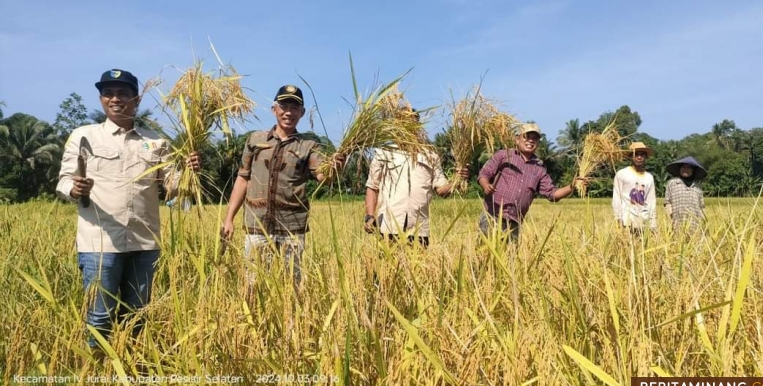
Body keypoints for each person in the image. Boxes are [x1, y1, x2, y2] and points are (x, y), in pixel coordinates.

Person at [56, 69, 200, 355]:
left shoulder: (156, 142)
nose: (115, 99)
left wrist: (189, 173)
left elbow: (172, 189)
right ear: (101, 99)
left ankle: (134, 370)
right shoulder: (84, 136)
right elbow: (64, 181)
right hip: (100, 242)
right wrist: (76, 189)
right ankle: (98, 374)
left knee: (138, 315)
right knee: (100, 315)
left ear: (137, 99)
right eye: (109, 93)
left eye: (123, 93)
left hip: (145, 243)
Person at [221, 85, 339, 286]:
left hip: (292, 228)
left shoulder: (308, 146)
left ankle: (292, 318)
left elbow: (323, 177)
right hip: (256, 226)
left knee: (292, 285)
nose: (289, 112)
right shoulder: (255, 140)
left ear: (302, 113)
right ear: (274, 109)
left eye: (295, 107)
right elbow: (242, 179)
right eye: (284, 106)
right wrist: (229, 218)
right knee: (253, 284)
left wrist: (335, 168)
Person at [363, 110, 469, 247]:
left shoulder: (430, 156)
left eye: (412, 123)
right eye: (403, 123)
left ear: (417, 126)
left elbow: (442, 190)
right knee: (387, 267)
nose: (408, 126)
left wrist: (457, 179)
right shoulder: (384, 153)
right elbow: (372, 186)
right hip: (389, 226)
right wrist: (370, 216)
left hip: (419, 228)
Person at [477, 122, 580, 244]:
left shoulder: (539, 168)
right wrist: (486, 186)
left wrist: (572, 185)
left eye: (535, 138)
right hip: (492, 216)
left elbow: (553, 194)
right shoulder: (504, 155)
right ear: (517, 139)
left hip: (514, 223)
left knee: (510, 260)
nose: (530, 141)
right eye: (526, 137)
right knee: (484, 255)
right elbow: (484, 174)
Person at [612, 142, 657, 234]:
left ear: (646, 157)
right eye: (636, 154)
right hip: (626, 221)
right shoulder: (622, 174)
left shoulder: (649, 177)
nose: (639, 157)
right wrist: (618, 218)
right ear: (630, 156)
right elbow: (617, 198)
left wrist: (653, 222)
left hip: (643, 221)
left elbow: (651, 201)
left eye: (642, 155)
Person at [664, 156, 706, 234]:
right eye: (683, 167)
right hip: (676, 224)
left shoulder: (697, 187)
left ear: (693, 170)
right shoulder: (672, 183)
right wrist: (670, 217)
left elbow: (702, 207)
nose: (685, 169)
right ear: (679, 169)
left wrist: (703, 222)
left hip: (695, 226)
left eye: (689, 167)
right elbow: (667, 203)